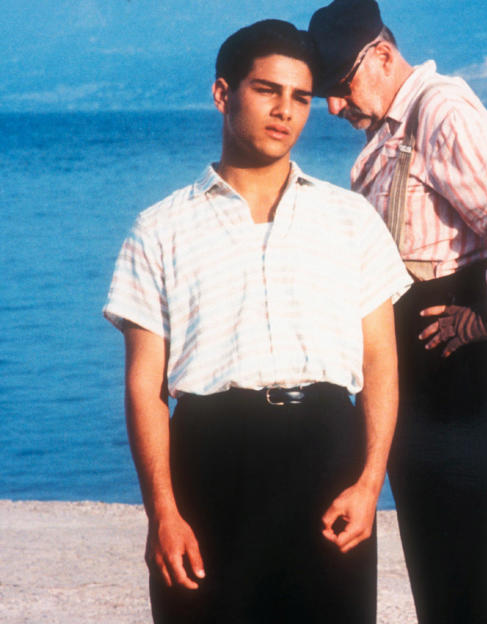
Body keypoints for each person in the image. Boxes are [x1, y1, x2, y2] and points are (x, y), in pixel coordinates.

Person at [102, 19, 411, 623]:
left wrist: (371, 482)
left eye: (300, 97)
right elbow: (145, 387)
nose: (286, 112)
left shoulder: (349, 220)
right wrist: (162, 511)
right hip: (209, 461)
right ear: (223, 94)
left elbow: (380, 362)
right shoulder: (159, 229)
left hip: (327, 457)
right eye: (267, 90)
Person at [307, 2, 487, 622]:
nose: (333, 107)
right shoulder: (393, 124)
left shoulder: (440, 110)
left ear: (383, 56)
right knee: (433, 547)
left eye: (341, 86)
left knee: (467, 549)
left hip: (458, 359)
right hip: (422, 354)